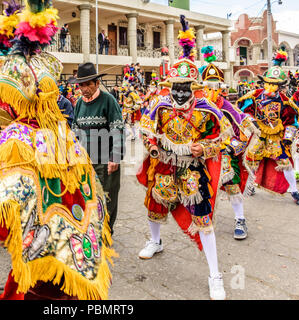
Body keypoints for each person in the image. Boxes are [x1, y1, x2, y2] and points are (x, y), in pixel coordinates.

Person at [0, 1, 115, 300]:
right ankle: (51, 273)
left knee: (42, 214)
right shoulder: (41, 71)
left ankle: (42, 275)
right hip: (57, 140)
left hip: (43, 142)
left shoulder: (18, 127)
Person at [136, 15, 231, 300]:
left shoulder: (208, 109)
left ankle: (215, 275)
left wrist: (207, 149)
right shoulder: (160, 105)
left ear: (194, 86)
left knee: (204, 221)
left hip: (193, 170)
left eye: (184, 86)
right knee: (153, 205)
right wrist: (152, 146)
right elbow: (145, 128)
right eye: (174, 86)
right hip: (164, 165)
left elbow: (225, 137)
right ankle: (156, 241)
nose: (178, 92)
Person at [200, 46, 260, 240]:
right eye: (207, 85)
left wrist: (235, 144)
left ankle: (240, 219)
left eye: (214, 85)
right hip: (201, 152)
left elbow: (240, 120)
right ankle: (203, 219)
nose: (211, 89)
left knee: (232, 184)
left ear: (220, 86)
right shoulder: (196, 104)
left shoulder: (224, 104)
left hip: (224, 152)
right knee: (200, 187)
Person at [236, 48, 299, 207]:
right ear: (264, 82)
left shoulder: (285, 101)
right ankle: (251, 184)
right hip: (259, 133)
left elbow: (292, 121)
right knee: (251, 159)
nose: (270, 87)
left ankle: (294, 190)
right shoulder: (254, 96)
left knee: (284, 161)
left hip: (275, 136)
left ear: (280, 86)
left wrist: (287, 139)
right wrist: (251, 123)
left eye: (275, 85)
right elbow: (243, 111)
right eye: (268, 83)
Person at [71, 62, 124, 234]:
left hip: (105, 161)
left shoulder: (108, 100)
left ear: (97, 83)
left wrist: (114, 157)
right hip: (86, 161)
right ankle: (92, 231)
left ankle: (106, 233)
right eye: (81, 85)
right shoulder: (79, 103)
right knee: (87, 196)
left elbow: (117, 128)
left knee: (107, 198)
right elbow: (75, 130)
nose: (84, 89)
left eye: (88, 84)